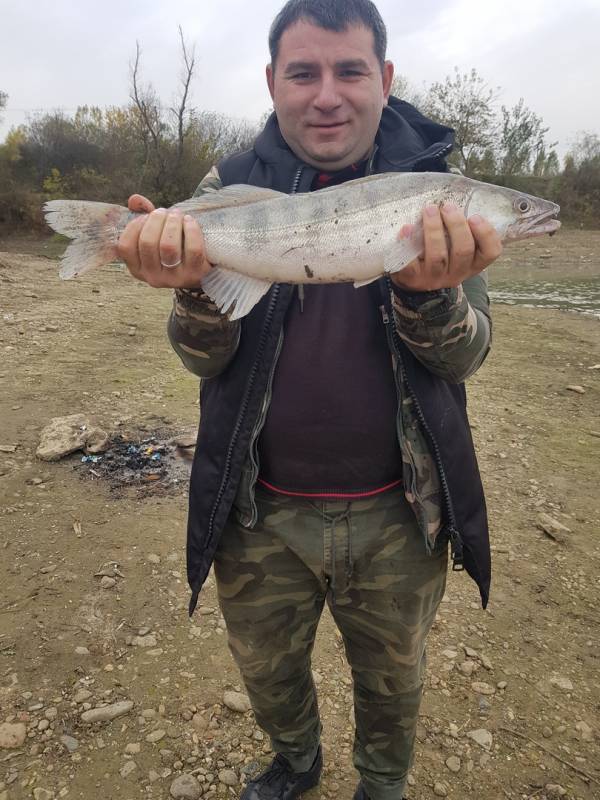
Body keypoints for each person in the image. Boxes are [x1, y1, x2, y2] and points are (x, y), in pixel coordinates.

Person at [117, 2, 503, 798]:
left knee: (394, 686)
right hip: (258, 513)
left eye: (350, 70)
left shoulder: (440, 198)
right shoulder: (227, 189)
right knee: (268, 670)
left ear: (386, 79)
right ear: (273, 83)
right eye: (303, 72)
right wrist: (190, 294)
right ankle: (295, 763)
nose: (327, 94)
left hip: (401, 513)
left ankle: (381, 785)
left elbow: (467, 356)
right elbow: (200, 359)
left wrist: (431, 299)